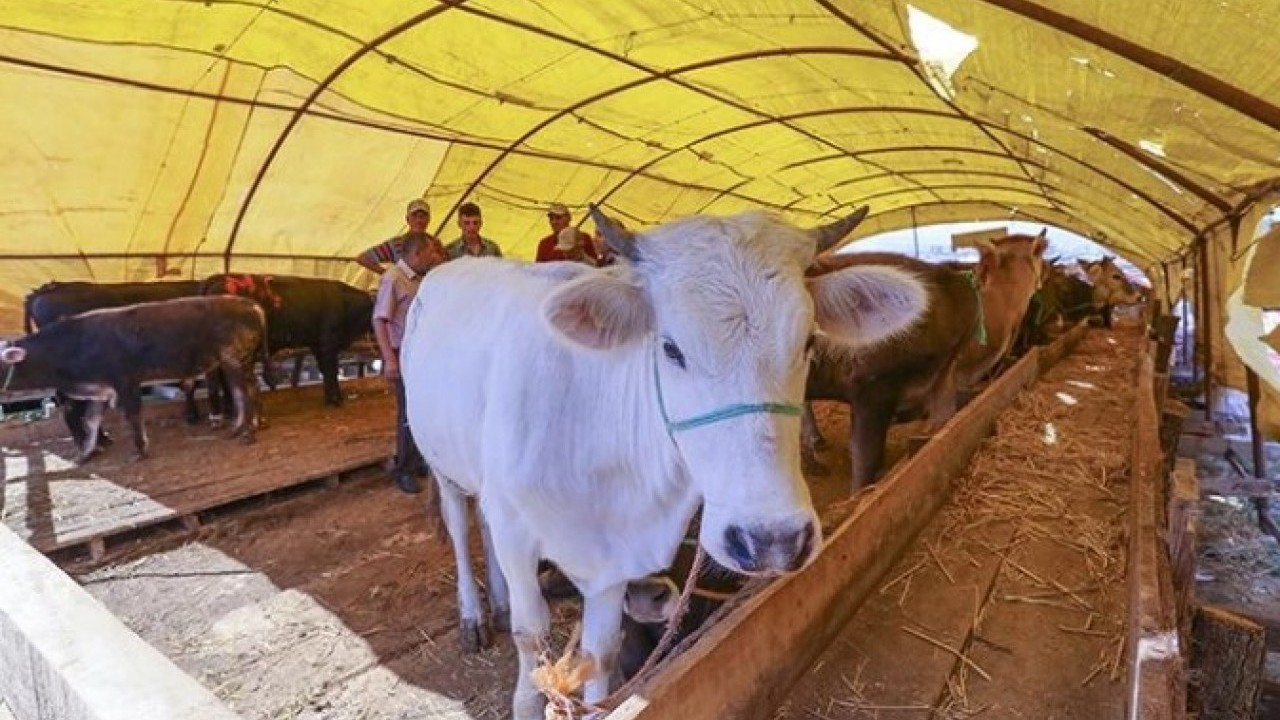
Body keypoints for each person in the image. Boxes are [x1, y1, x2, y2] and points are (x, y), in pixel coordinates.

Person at [372, 232, 440, 494]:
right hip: (402, 352)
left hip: (420, 352)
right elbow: (379, 320)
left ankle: (420, 459)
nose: (435, 257)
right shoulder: (393, 279)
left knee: (423, 408)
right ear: (417, 254)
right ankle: (404, 469)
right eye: (432, 252)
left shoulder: (422, 279)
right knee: (407, 412)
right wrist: (389, 359)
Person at [356, 198, 444, 275]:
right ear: (407, 219)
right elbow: (363, 258)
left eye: (422, 216)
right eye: (414, 216)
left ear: (428, 219)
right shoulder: (396, 243)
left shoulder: (434, 243)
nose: (419, 220)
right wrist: (387, 274)